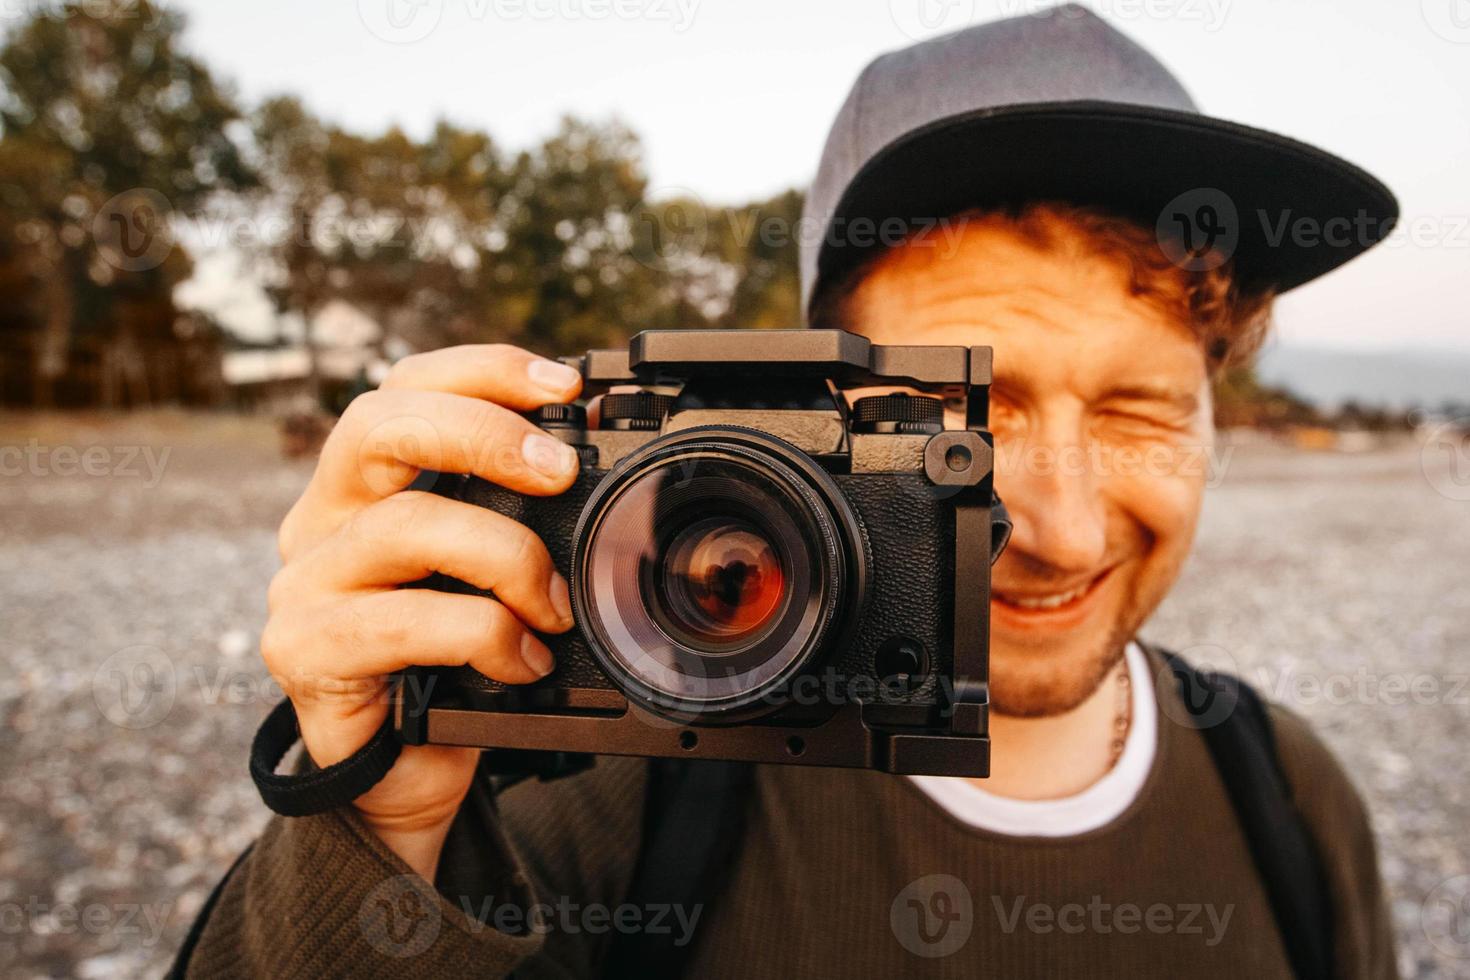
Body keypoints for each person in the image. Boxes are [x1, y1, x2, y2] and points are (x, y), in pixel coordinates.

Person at [179, 7, 1398, 977]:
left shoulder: (1286, 794)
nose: (1061, 526)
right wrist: (379, 830)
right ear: (814, 412)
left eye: (1141, 411)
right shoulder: (614, 785)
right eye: (973, 413)